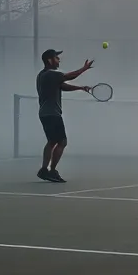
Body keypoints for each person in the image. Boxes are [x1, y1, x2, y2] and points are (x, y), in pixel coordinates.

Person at [36, 49, 93, 183]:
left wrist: (80, 88)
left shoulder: (42, 75)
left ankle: (44, 170)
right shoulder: (50, 74)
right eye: (56, 57)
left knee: (51, 141)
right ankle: (51, 171)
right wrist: (84, 68)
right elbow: (69, 76)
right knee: (62, 142)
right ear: (49, 60)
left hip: (45, 113)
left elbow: (62, 86)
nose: (59, 60)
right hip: (52, 114)